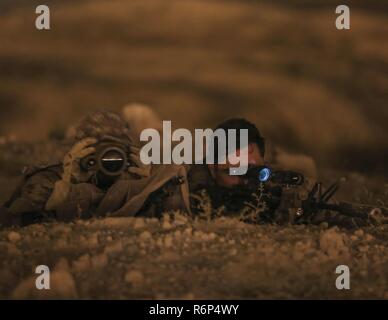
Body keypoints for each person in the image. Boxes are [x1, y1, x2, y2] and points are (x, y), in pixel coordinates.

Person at [0, 111, 191, 228]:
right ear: (80, 151)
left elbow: (177, 221)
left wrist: (146, 187)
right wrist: (61, 191)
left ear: (128, 150)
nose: (108, 159)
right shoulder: (51, 179)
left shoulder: (134, 175)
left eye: (116, 151)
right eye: (98, 151)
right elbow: (11, 224)